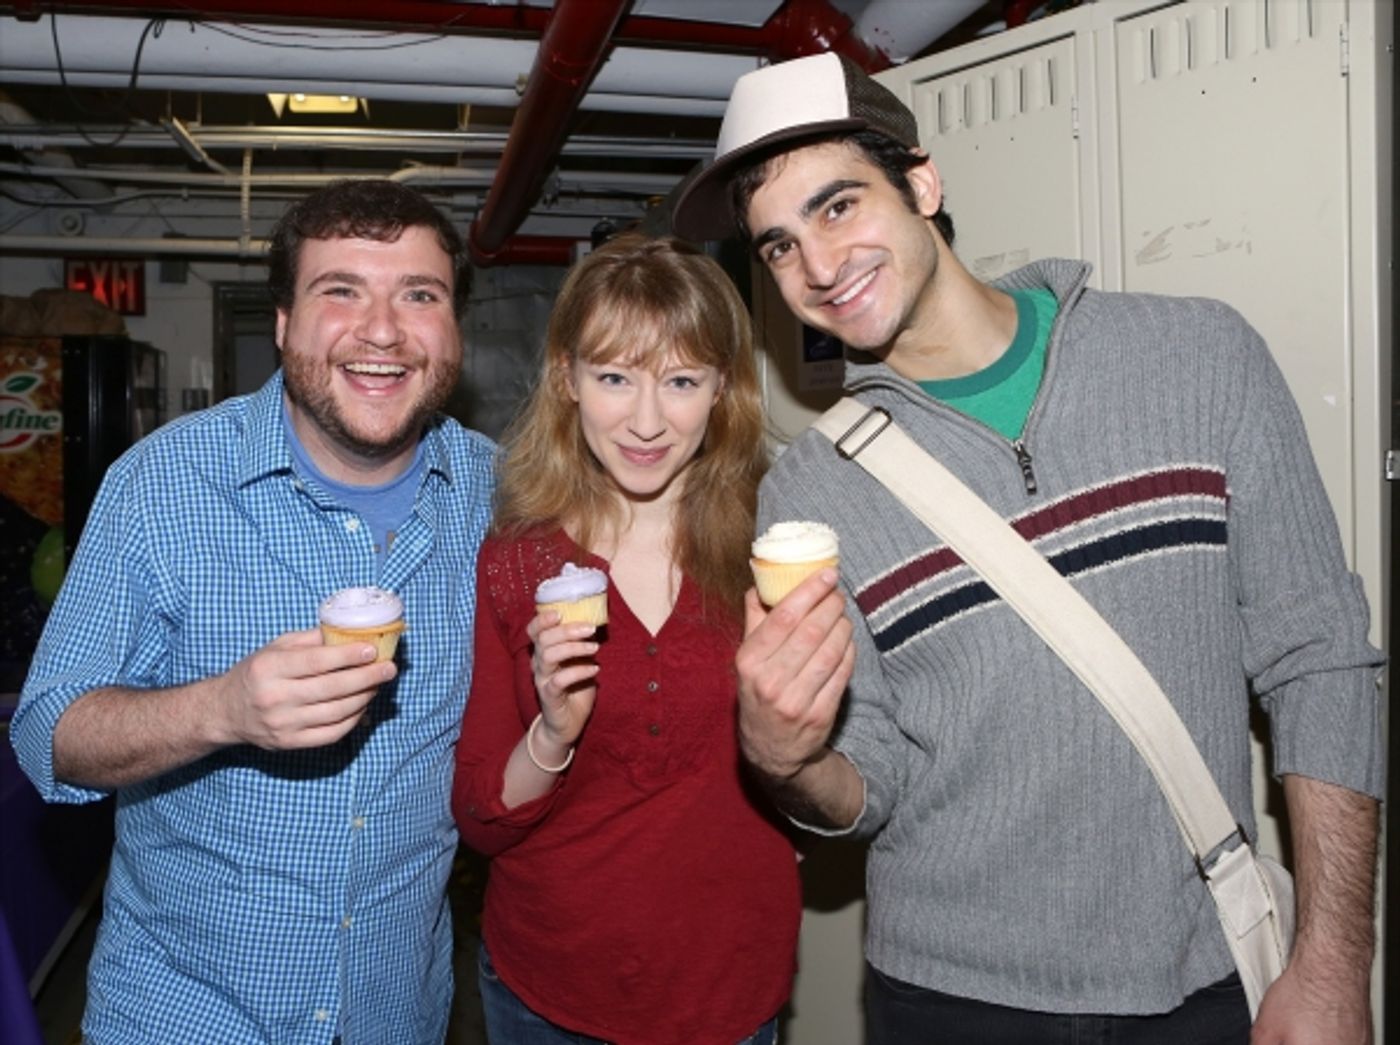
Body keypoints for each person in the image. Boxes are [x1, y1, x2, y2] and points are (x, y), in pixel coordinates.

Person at [671, 53, 1385, 1045]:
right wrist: (785, 758)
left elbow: (1320, 661)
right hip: (950, 1001)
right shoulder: (810, 491)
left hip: (1207, 974)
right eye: (779, 246)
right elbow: (866, 784)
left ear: (920, 183)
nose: (819, 269)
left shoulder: (1197, 358)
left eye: (837, 207)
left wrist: (1332, 962)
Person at [10, 179, 496, 1044]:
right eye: (340, 289)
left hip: (397, 1013)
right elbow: (47, 733)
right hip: (187, 1014)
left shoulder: (500, 495)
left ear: (453, 327)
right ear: (283, 323)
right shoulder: (161, 484)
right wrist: (222, 708)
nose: (382, 329)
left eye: (419, 295)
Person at [452, 234, 800, 1045]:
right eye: (615, 377)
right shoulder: (517, 562)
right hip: (548, 987)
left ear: (723, 389)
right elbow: (480, 813)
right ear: (568, 378)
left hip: (727, 985)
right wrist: (552, 731)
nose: (647, 421)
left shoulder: (772, 548)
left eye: (681, 381)